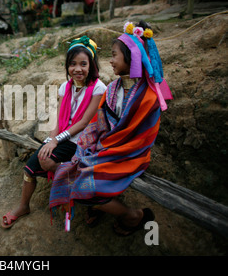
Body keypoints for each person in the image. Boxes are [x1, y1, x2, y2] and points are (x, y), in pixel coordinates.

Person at [49, 21, 173, 236]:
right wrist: (87, 146)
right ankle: (98, 208)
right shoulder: (113, 88)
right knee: (71, 168)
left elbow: (139, 139)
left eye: (115, 55)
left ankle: (132, 215)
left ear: (132, 58)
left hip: (130, 154)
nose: (111, 60)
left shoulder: (149, 97)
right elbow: (99, 123)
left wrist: (104, 149)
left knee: (84, 183)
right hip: (106, 148)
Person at [2, 36, 107, 229]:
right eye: (73, 64)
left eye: (83, 64)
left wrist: (55, 141)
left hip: (82, 141)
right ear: (67, 66)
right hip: (63, 138)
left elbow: (84, 123)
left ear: (91, 65)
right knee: (29, 169)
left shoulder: (98, 88)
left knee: (48, 161)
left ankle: (83, 196)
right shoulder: (64, 87)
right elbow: (59, 119)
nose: (78, 69)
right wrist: (51, 139)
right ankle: (23, 206)